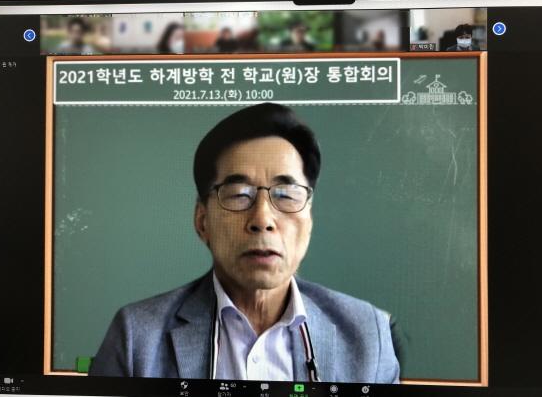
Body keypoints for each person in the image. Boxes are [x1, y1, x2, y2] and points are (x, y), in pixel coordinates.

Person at [89, 103, 400, 383]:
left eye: (285, 195)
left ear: (309, 218)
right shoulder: (137, 338)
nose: (262, 219)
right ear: (202, 221)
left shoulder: (368, 336)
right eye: (239, 195)